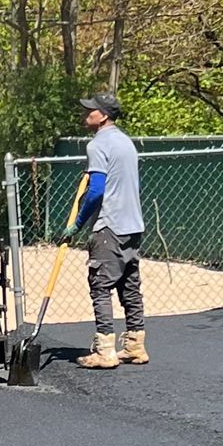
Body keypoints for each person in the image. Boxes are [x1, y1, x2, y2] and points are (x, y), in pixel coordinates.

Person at [74, 92, 148, 370]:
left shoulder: (98, 145)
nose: (85, 115)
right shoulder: (126, 143)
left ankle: (105, 350)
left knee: (100, 286)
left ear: (103, 116)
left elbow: (96, 191)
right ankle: (134, 345)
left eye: (90, 111)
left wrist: (79, 223)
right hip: (133, 225)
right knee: (130, 287)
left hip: (110, 225)